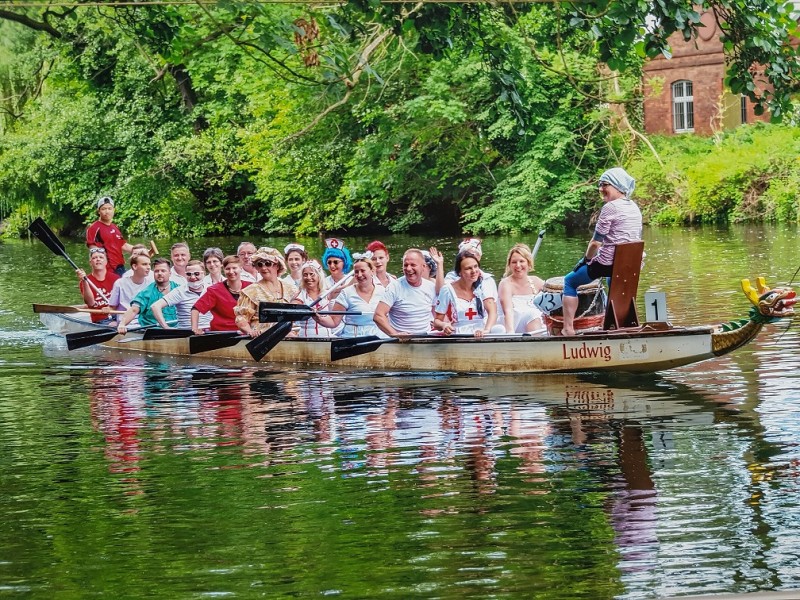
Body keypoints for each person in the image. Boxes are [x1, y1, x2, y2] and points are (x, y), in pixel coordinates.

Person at [561, 167, 642, 336]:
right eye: (599, 185)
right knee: (612, 280)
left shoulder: (610, 207)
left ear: (617, 185)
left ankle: (567, 329)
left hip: (609, 263)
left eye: (605, 184)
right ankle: (612, 325)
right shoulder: (634, 207)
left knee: (569, 281)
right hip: (631, 263)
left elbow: (595, 243)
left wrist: (586, 260)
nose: (601, 189)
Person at [313, 254, 388, 338]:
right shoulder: (346, 293)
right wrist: (317, 317)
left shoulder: (383, 292)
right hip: (353, 337)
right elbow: (334, 321)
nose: (359, 275)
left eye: (363, 271)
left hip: (380, 337)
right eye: (356, 272)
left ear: (372, 271)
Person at [432, 250, 499, 337]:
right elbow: (437, 321)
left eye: (476, 266)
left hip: (481, 333)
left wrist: (486, 330)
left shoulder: (483, 285)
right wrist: (444, 325)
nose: (474, 271)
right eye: (468, 268)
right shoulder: (447, 289)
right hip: (458, 334)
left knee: (499, 328)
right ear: (459, 272)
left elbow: (492, 312)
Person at [234, 247, 298, 337]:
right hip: (262, 338)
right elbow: (241, 318)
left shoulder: (291, 289)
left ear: (277, 265)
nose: (264, 268)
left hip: (289, 335)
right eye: (259, 264)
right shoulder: (251, 291)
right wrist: (250, 331)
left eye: (268, 264)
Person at [373, 249, 437, 337]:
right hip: (401, 341)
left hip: (425, 338)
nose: (408, 269)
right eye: (405, 265)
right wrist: (395, 334)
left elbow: (437, 316)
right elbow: (378, 316)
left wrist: (444, 325)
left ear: (423, 267)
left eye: (413, 265)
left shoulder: (431, 287)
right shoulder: (394, 287)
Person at [191, 255, 252, 334]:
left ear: (240, 268)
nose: (231, 271)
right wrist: (194, 329)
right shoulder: (215, 290)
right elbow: (195, 309)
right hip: (222, 334)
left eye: (234, 268)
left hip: (248, 333)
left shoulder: (251, 288)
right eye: (227, 269)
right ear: (223, 270)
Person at [116, 258, 178, 334]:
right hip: (150, 331)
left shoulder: (178, 289)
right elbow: (133, 310)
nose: (159, 273)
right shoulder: (147, 292)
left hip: (175, 330)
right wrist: (122, 324)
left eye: (163, 271)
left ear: (170, 273)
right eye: (156, 271)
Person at [498, 243, 546, 334]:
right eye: (514, 262)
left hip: (537, 325)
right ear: (509, 265)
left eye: (521, 261)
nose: (518, 265)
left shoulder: (537, 281)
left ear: (528, 263)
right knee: (532, 314)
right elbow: (508, 311)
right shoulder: (505, 284)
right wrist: (510, 333)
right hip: (515, 326)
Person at [151, 260, 211, 330]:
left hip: (211, 332)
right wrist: (166, 327)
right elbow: (155, 306)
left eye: (196, 274)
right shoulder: (180, 291)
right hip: (188, 333)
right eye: (189, 274)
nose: (193, 277)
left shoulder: (211, 290)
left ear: (204, 274)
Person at [85, 196, 133, 276]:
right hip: (107, 269)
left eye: (109, 208)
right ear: (98, 211)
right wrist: (101, 269)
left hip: (120, 267)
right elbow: (93, 250)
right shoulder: (94, 228)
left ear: (114, 210)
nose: (107, 211)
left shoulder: (114, 227)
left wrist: (141, 251)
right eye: (103, 209)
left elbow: (123, 245)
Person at [292, 260, 337, 338]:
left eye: (312, 274)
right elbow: (290, 315)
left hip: (326, 337)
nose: (309, 278)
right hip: (305, 338)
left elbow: (346, 288)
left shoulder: (327, 293)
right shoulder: (299, 296)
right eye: (305, 275)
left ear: (318, 275)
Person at [75, 247, 120, 323]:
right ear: (90, 262)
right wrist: (84, 280)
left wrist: (111, 309)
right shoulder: (85, 281)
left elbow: (122, 301)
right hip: (100, 320)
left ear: (106, 261)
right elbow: (90, 303)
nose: (98, 259)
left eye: (101, 257)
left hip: (117, 315)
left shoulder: (116, 278)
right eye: (94, 258)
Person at [108, 254, 152, 320]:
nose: (148, 267)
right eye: (144, 264)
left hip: (145, 322)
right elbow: (112, 307)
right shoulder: (120, 283)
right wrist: (107, 310)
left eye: (149, 264)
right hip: (126, 323)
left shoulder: (151, 283)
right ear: (134, 266)